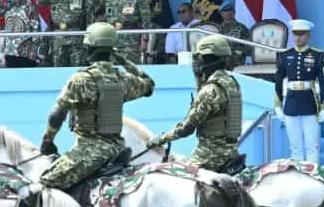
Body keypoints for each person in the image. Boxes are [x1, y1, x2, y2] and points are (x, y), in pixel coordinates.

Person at [38, 22, 155, 191]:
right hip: (118, 149)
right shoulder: (123, 79)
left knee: (44, 185)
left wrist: (48, 141)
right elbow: (149, 84)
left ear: (88, 48)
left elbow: (57, 115)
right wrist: (124, 61)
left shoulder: (81, 80)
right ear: (112, 50)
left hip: (90, 151)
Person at [146, 35, 243, 173]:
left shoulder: (209, 91)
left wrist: (159, 139)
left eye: (200, 59)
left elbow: (186, 128)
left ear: (206, 59)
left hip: (208, 157)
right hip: (232, 153)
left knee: (168, 176)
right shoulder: (232, 83)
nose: (197, 63)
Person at [274, 19, 324, 163]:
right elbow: (279, 80)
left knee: (312, 145)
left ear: (308, 36)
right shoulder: (285, 55)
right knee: (295, 146)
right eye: (295, 34)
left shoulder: (318, 55)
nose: (298, 38)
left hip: (309, 103)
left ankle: (313, 176)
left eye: (301, 34)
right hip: (291, 103)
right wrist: (278, 104)